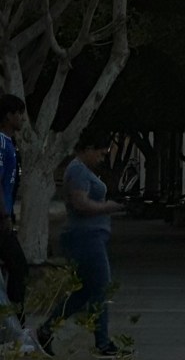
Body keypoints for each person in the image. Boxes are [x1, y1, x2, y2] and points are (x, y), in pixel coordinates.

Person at [37, 131, 127, 358]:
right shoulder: (77, 170)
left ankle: (47, 328)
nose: (101, 158)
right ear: (87, 149)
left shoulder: (82, 170)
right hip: (85, 238)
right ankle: (102, 342)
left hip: (91, 236)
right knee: (101, 287)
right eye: (99, 153)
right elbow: (81, 203)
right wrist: (109, 207)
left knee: (85, 291)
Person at [0, 94, 28, 320]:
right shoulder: (1, 144)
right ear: (8, 116)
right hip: (1, 219)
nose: (22, 119)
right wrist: (4, 215)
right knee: (19, 267)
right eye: (19, 114)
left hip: (7, 214)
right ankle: (15, 321)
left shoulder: (11, 144)